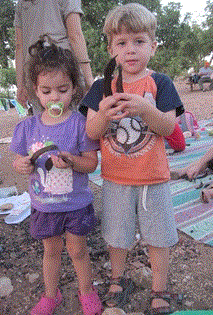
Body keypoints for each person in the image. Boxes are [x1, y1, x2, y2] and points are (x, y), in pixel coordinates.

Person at [84, 3, 184, 314]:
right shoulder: (101, 87)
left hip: (153, 178)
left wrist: (146, 109)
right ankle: (117, 279)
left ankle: (160, 286)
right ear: (112, 48)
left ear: (153, 46)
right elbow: (91, 132)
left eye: (139, 41)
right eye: (122, 43)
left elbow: (169, 128)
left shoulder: (161, 83)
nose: (131, 50)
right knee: (117, 236)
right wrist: (103, 112)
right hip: (115, 178)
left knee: (159, 236)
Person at [10, 43, 103, 315]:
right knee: (50, 252)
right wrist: (22, 165)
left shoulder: (80, 124)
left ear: (74, 88)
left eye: (62, 90)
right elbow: (17, 160)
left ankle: (86, 290)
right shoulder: (27, 127)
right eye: (46, 91)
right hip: (44, 206)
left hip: (75, 205)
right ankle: (51, 295)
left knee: (78, 251)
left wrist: (72, 160)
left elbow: (91, 164)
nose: (54, 98)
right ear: (35, 92)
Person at [14, 0, 93, 114]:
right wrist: (89, 79)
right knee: (75, 123)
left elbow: (19, 46)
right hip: (65, 69)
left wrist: (20, 84)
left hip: (35, 75)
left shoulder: (21, 3)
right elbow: (74, 34)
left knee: (44, 124)